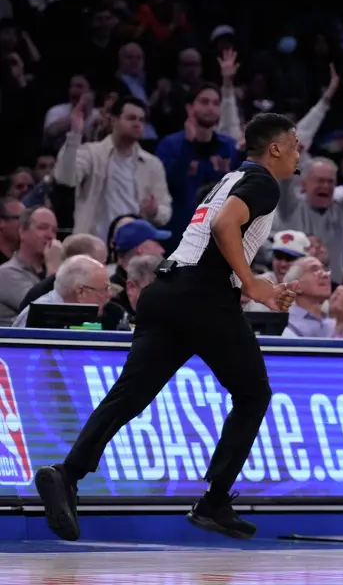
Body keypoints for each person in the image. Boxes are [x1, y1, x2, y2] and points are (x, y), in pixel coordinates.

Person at [33, 113, 301, 542]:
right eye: (295, 145)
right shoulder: (265, 182)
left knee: (130, 395)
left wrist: (257, 288)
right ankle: (214, 501)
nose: (298, 153)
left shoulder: (228, 181)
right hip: (203, 298)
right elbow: (224, 226)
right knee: (254, 395)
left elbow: (216, 236)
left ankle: (68, 473)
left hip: (165, 289)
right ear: (275, 148)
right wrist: (250, 283)